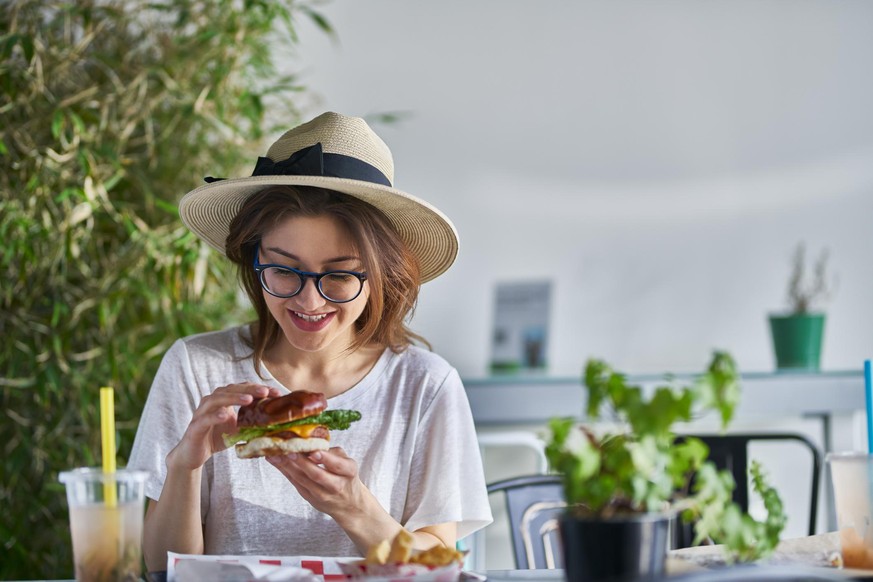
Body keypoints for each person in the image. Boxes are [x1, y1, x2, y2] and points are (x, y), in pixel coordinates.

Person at [127, 112, 493, 569]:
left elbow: (438, 568)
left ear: (380, 275)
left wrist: (353, 507)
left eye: (338, 275)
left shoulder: (426, 385)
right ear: (253, 261)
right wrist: (184, 465)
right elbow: (161, 569)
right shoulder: (196, 366)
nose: (309, 300)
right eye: (283, 270)